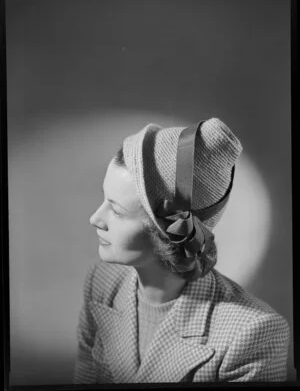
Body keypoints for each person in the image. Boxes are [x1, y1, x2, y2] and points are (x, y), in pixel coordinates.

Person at [73, 117, 290, 383]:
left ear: (167, 231)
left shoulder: (253, 332)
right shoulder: (101, 283)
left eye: (117, 210)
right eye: (105, 199)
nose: (95, 218)